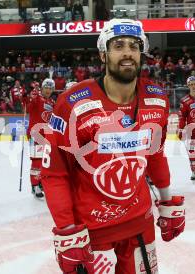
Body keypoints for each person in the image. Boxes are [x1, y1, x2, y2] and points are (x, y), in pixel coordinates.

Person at [40, 19, 185, 273]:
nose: (127, 52)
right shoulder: (71, 104)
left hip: (140, 225)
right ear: (103, 54)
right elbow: (55, 173)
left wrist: (167, 201)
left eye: (134, 45)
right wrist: (66, 230)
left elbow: (156, 155)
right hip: (92, 233)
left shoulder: (157, 98)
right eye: (118, 45)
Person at [23, 78, 56, 198]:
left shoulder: (52, 102)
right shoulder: (37, 98)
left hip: (47, 136)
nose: (48, 90)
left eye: (51, 88)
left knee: (45, 162)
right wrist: (28, 95)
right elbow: (28, 105)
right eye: (46, 87)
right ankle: (35, 185)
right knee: (36, 161)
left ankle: (41, 182)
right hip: (35, 135)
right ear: (42, 88)